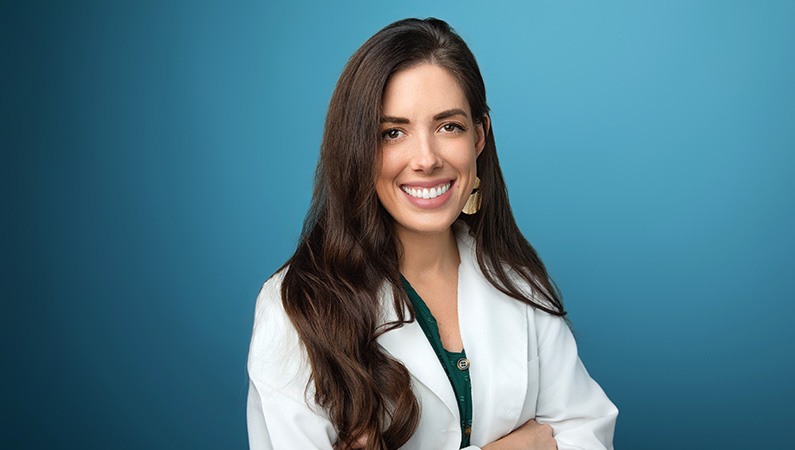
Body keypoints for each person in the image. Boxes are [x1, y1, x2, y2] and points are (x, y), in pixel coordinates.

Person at [247, 18, 618, 450]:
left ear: (479, 138)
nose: (426, 159)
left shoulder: (515, 279)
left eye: (449, 127)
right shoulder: (295, 306)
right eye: (393, 133)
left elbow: (587, 431)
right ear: (356, 147)